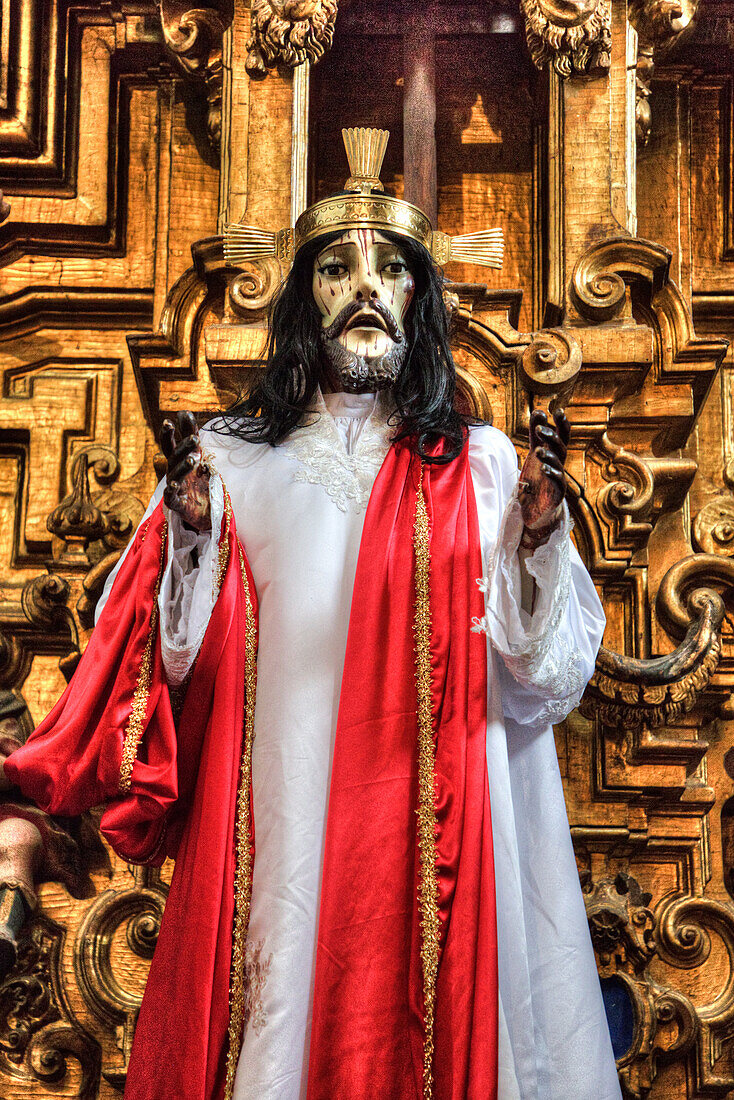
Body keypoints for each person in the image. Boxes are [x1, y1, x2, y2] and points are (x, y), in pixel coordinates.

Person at [1, 129, 620, 1100]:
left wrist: (537, 543)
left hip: (447, 839)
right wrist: (193, 543)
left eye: (389, 270)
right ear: (306, 302)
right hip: (275, 833)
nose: (364, 286)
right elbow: (162, 676)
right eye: (337, 267)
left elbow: (542, 680)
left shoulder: (488, 467)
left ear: (421, 300)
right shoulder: (231, 466)